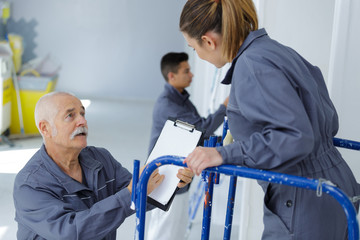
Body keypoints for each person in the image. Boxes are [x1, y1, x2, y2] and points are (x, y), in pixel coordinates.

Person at [180, 0, 360, 239]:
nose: (198, 55)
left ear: (208, 41)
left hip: (304, 196)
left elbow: (296, 137)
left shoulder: (251, 65)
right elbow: (327, 122)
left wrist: (224, 154)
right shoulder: (278, 52)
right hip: (337, 186)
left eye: (194, 48)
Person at [13, 92, 193, 240]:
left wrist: (171, 182)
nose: (82, 121)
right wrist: (131, 194)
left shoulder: (100, 159)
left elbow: (139, 198)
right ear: (45, 128)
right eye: (70, 115)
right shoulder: (29, 185)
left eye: (82, 113)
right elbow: (71, 233)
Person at [146, 52, 228, 240]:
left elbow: (197, 133)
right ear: (171, 76)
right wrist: (224, 106)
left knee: (175, 231)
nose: (191, 75)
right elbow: (201, 128)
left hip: (178, 178)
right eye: (186, 71)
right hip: (164, 179)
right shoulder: (167, 104)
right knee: (163, 233)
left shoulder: (181, 99)